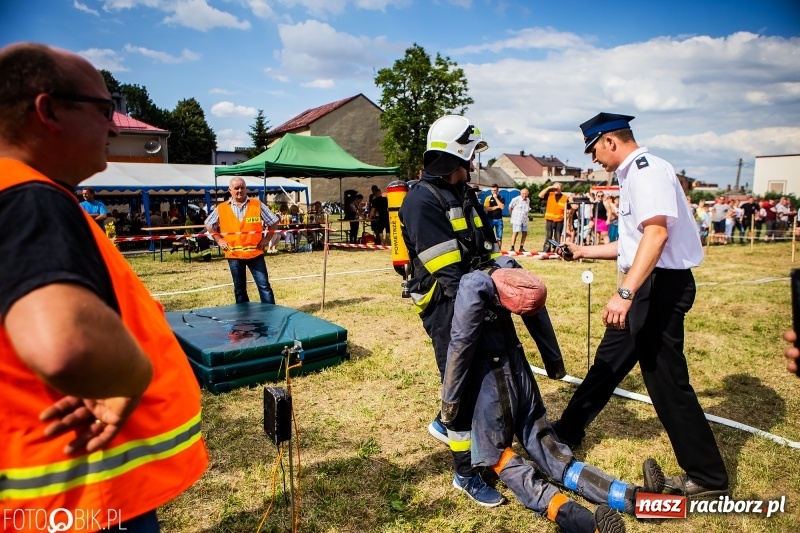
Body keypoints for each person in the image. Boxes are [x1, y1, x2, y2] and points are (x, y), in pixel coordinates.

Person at [0, 42, 208, 530]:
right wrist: (133, 374)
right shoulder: (28, 198)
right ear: (48, 110)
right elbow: (66, 342)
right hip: (77, 495)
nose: (114, 125)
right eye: (104, 109)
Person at [552, 112, 729, 500]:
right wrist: (582, 250)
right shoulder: (631, 174)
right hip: (646, 282)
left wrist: (626, 293)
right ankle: (565, 434)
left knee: (665, 382)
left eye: (594, 149)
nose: (593, 158)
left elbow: (657, 235)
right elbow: (632, 244)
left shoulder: (646, 170)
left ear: (611, 142)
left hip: (658, 288)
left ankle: (708, 477)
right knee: (606, 365)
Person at [399, 114, 567, 507]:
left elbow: (486, 252)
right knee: (462, 386)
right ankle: (465, 472)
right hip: (447, 309)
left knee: (496, 374)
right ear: (453, 156)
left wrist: (506, 278)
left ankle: (489, 440)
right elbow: (452, 277)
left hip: (482, 300)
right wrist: (494, 292)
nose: (473, 163)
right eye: (469, 155)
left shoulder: (465, 194)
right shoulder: (421, 201)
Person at [442, 260, 665, 531]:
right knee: (552, 452)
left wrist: (450, 400)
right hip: (520, 371)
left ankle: (582, 522)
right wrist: (553, 362)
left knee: (499, 457)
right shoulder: (508, 265)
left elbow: (461, 344)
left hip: (492, 380)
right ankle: (638, 499)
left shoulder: (474, 284)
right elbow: (539, 321)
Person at [205, 177, 280, 304]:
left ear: (246, 189)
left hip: (255, 253)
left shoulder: (257, 205)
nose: (240, 190)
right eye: (236, 188)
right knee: (239, 290)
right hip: (234, 255)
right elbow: (208, 224)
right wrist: (219, 240)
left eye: (242, 187)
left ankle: (270, 315)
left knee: (264, 287)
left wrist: (267, 238)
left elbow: (273, 221)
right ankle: (243, 319)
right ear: (230, 190)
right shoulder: (222, 208)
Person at [539, 182, 568, 252]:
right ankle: (546, 250)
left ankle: (557, 250)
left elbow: (568, 209)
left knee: (557, 236)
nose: (556, 189)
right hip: (550, 219)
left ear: (561, 189)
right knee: (548, 236)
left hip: (559, 220)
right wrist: (549, 188)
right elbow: (540, 195)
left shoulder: (565, 198)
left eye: (558, 188)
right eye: (555, 188)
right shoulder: (549, 195)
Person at [508, 188, 530, 252]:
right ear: (521, 193)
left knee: (524, 233)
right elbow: (510, 207)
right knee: (515, 233)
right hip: (517, 219)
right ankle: (512, 247)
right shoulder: (516, 199)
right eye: (523, 194)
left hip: (524, 219)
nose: (524, 195)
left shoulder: (528, 200)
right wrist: (512, 215)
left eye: (526, 194)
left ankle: (521, 247)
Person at [483, 183, 505, 249]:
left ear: (498, 190)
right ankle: (490, 249)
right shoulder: (488, 198)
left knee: (499, 237)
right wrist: (496, 207)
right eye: (492, 190)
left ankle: (499, 250)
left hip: (499, 219)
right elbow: (487, 208)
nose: (493, 192)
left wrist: (496, 199)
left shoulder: (501, 198)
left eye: (495, 190)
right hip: (490, 219)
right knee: (489, 236)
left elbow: (502, 207)